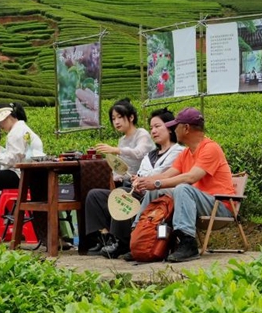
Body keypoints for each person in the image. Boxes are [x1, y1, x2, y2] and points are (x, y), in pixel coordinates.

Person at [131, 107, 234, 263]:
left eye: (176, 126)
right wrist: (146, 182)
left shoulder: (211, 148)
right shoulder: (185, 153)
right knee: (156, 191)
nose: (173, 129)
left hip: (220, 205)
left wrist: (157, 183)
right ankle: (138, 236)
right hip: (197, 202)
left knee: (183, 188)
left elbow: (191, 177)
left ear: (186, 128)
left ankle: (187, 243)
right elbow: (166, 175)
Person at [84, 108, 185, 259]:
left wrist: (143, 179)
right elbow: (141, 173)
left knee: (124, 195)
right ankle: (104, 239)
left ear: (170, 128)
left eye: (157, 126)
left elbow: (164, 174)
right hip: (139, 191)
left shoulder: (178, 152)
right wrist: (136, 178)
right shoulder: (150, 155)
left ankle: (122, 242)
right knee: (95, 195)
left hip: (158, 195)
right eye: (151, 128)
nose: (153, 131)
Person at [0, 103, 45, 239]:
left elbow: (11, 161)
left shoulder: (15, 133)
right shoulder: (22, 129)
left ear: (7, 117)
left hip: (20, 175)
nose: (0, 126)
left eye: (0, 122)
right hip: (28, 174)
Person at [93, 98, 153, 185]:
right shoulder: (122, 140)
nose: (116, 122)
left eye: (120, 117)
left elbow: (139, 153)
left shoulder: (142, 134)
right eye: (113, 119)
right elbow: (120, 166)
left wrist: (117, 150)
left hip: (143, 184)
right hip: (127, 183)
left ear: (131, 117)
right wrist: (117, 176)